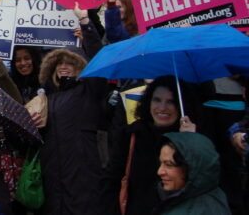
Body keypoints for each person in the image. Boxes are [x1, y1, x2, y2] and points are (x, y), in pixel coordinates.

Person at [100, 76, 198, 215]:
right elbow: (111, 181)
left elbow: (200, 182)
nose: (162, 108)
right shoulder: (131, 135)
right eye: (157, 100)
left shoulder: (190, 137)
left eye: (171, 102)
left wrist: (191, 141)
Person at [35, 48, 110, 215]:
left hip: (83, 176)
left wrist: (86, 25)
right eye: (60, 63)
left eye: (70, 63)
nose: (63, 66)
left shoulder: (89, 91)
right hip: (54, 178)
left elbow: (100, 61)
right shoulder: (49, 99)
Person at [155, 132, 230, 214]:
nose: (160, 172)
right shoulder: (213, 197)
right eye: (160, 163)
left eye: (169, 165)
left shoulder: (200, 210)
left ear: (191, 168)